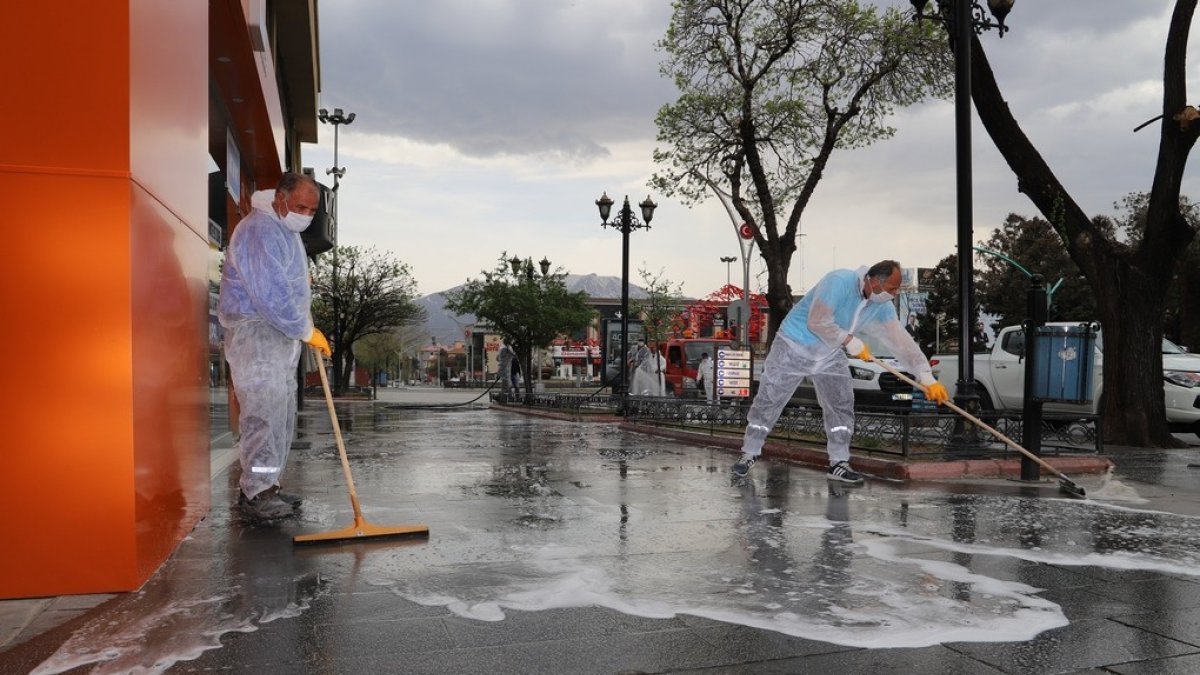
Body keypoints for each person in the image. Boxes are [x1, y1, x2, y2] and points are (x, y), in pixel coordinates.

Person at [731, 260, 949, 484]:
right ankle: (749, 452)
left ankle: (839, 462)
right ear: (874, 281)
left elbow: (900, 341)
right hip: (793, 345)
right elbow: (817, 320)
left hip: (829, 353)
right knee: (769, 399)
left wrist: (925, 376)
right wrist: (849, 340)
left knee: (841, 405)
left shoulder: (881, 306)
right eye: (892, 288)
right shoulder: (839, 281)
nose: (894, 294)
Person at [218, 172, 331, 520]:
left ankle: (269, 486)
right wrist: (303, 328)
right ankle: (256, 494)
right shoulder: (259, 230)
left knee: (280, 416)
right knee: (263, 416)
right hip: (258, 335)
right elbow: (270, 293)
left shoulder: (285, 230)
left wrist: (304, 328)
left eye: (313, 211)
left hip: (278, 337)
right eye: (301, 206)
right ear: (280, 198)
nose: (306, 215)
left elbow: (292, 289)